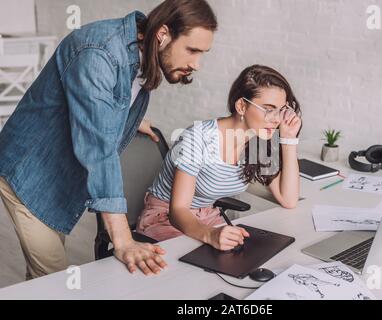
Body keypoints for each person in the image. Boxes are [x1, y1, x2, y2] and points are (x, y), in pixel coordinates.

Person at [0, 0, 218, 279]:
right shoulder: (98, 52)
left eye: (203, 53)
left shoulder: (141, 52)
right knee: (53, 277)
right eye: (192, 50)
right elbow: (99, 149)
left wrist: (126, 117)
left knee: (42, 279)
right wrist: (123, 239)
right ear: (163, 34)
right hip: (28, 171)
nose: (196, 64)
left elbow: (100, 99)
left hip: (57, 173)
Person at [137, 65, 302, 251]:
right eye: (268, 109)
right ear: (241, 106)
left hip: (207, 216)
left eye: (281, 110)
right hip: (165, 217)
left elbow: (288, 199)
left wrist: (289, 139)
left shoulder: (257, 141)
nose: (277, 119)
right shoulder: (197, 138)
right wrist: (210, 234)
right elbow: (178, 211)